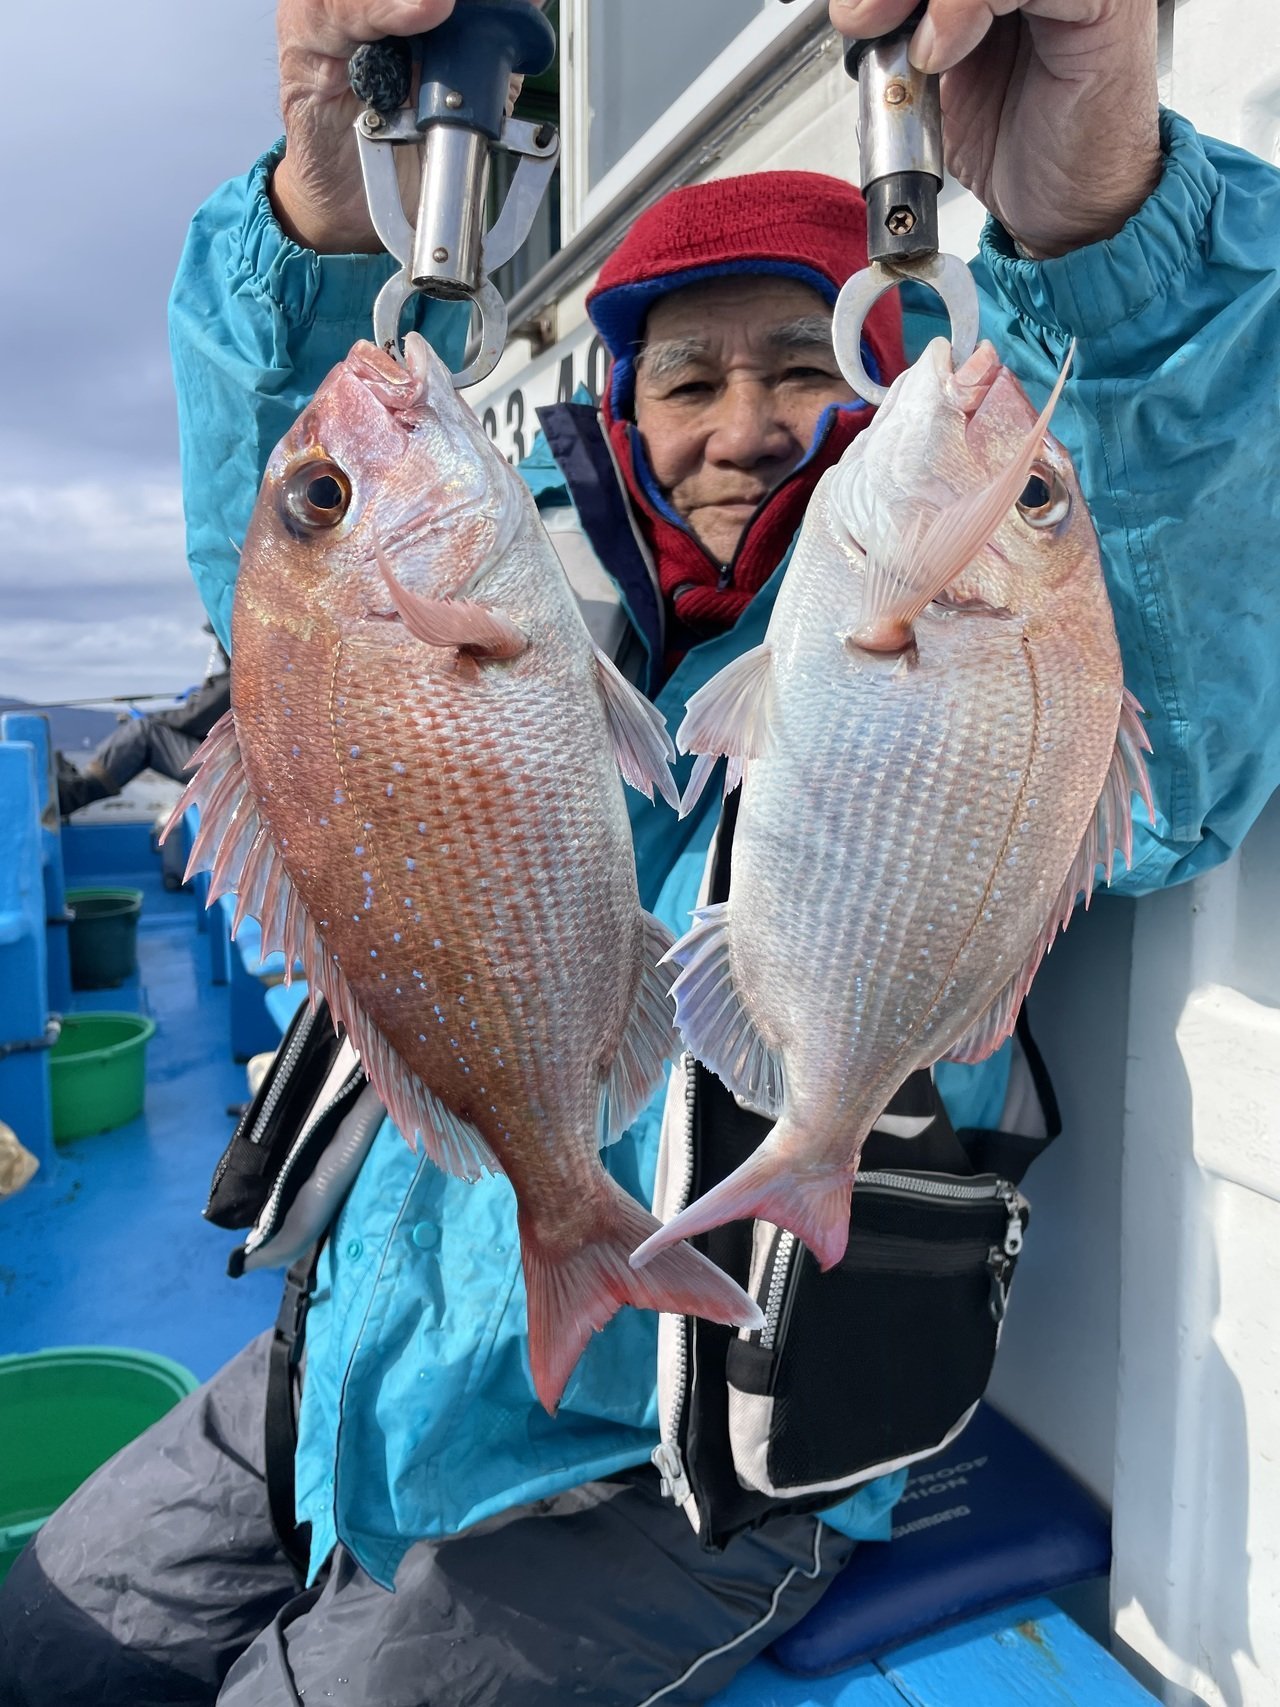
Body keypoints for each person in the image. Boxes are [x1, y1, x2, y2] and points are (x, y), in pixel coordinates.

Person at [3, 1, 1278, 1702]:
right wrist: (321, 186)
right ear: (615, 410)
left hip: (671, 1463)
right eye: (688, 378)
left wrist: (1103, 221)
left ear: (888, 362)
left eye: (805, 365)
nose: (744, 426)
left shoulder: (987, 635)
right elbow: (297, 599)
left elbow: (1174, 756)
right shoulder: (537, 603)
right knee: (44, 1635)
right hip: (351, 1364)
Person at [55, 631, 231, 818]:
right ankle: (78, 785)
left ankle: (72, 795)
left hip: (230, 771)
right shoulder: (238, 676)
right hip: (231, 764)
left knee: (144, 734)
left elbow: (191, 719)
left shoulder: (239, 676)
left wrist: (151, 719)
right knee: (146, 730)